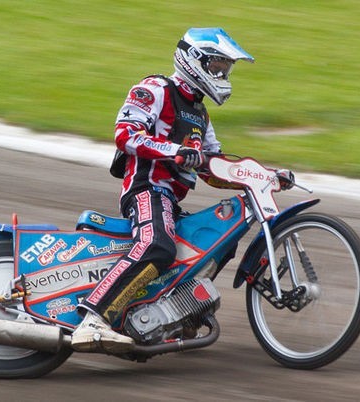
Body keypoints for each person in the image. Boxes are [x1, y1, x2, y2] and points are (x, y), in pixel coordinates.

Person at [70, 27, 257, 353]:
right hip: (146, 189)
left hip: (169, 199)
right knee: (157, 244)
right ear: (194, 60)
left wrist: (260, 177)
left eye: (225, 69)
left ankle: (172, 313)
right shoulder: (156, 88)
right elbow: (125, 135)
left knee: (222, 238)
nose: (222, 74)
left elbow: (212, 167)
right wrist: (174, 151)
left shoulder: (200, 114)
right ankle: (94, 319)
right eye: (217, 66)